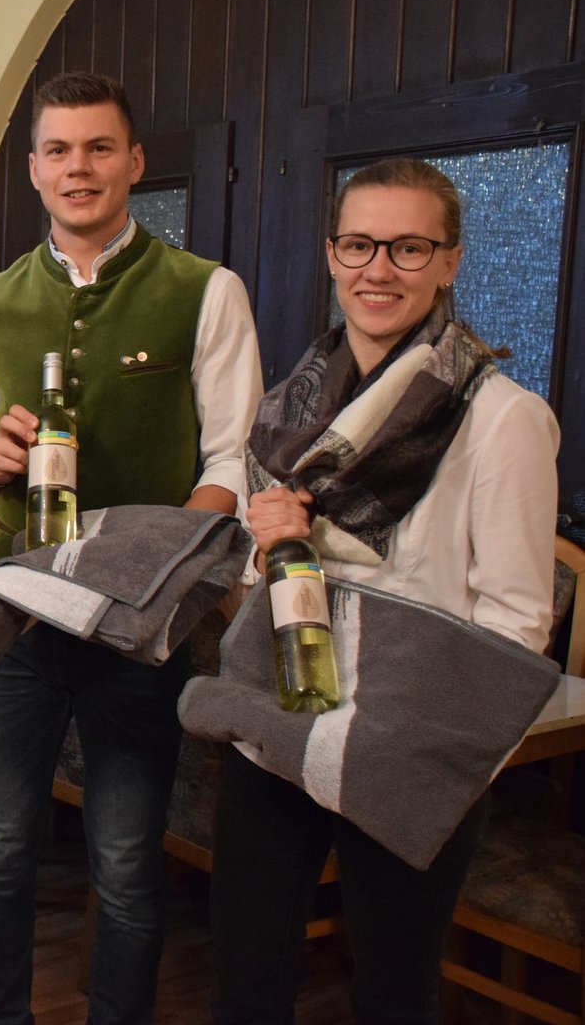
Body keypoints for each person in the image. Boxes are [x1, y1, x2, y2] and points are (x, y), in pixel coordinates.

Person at [0, 71, 262, 1025]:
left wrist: (161, 566)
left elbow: (232, 458)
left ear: (134, 162)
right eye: (58, 150)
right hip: (13, 614)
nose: (77, 167)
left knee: (124, 863)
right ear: (34, 170)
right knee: (0, 851)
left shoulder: (207, 291)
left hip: (139, 625)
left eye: (97, 148)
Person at [209, 157, 560, 1024]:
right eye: (360, 245)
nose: (379, 269)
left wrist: (445, 755)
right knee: (246, 974)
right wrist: (268, 546)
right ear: (332, 254)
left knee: (394, 992)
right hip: (280, 719)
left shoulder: (501, 418)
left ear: (449, 261)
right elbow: (259, 578)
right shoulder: (287, 411)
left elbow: (518, 623)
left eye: (409, 248)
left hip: (408, 743)